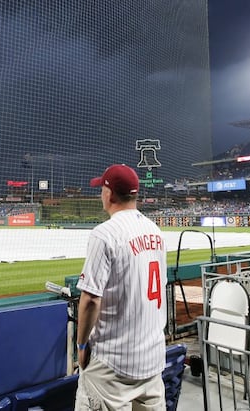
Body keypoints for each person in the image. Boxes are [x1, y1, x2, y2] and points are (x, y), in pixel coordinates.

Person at [75, 164, 167, 410]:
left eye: (102, 189)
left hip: (112, 365)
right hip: (153, 361)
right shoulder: (156, 231)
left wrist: (81, 346)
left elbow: (91, 299)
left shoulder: (104, 234)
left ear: (109, 193)